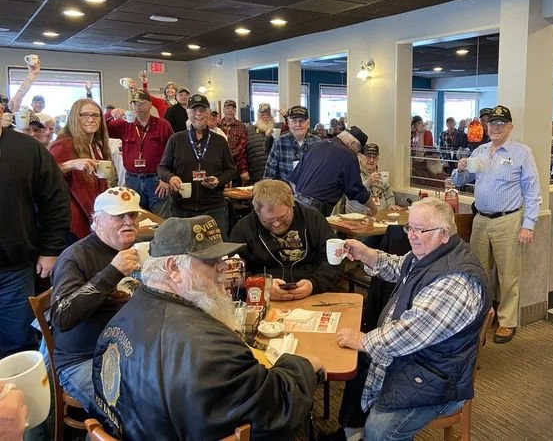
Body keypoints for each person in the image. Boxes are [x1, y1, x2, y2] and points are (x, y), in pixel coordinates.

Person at [92, 216, 322, 440]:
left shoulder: (122, 316)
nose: (224, 267)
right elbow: (278, 409)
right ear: (173, 268)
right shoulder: (210, 347)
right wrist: (304, 365)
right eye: (212, 261)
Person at [326, 198, 487, 441]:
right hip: (417, 357)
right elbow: (400, 266)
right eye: (409, 228)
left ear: (444, 234)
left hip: (437, 376)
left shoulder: (456, 281)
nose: (412, 235)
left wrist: (364, 340)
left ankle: (365, 433)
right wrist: (367, 254)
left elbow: (410, 332)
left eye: (420, 230)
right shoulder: (429, 255)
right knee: (356, 363)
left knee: (380, 431)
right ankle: (353, 432)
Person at [452, 105, 541, 344]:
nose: (495, 128)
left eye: (501, 124)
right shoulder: (480, 151)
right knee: (478, 273)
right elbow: (458, 181)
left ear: (510, 127)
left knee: (507, 274)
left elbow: (533, 192)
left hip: (508, 220)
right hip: (480, 219)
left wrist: (528, 224)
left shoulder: (522, 153)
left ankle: (507, 322)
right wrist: (459, 169)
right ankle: (481, 317)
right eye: (492, 124)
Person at [50, 187, 142, 409]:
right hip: (84, 359)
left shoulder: (137, 248)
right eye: (119, 216)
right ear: (97, 221)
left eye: (133, 215)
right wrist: (112, 272)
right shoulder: (75, 257)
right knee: (136, 411)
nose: (128, 222)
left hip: (129, 350)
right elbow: (61, 316)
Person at [0, 114, 69, 359]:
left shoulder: (27, 149)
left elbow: (55, 200)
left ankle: (19, 396)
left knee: (17, 346)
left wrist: (51, 250)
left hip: (13, 269)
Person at [229, 180, 341, 300]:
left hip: (313, 294)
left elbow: (333, 261)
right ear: (257, 212)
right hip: (262, 299)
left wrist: (314, 284)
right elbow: (232, 272)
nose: (277, 224)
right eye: (268, 220)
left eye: (283, 217)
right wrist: (262, 285)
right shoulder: (244, 229)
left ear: (292, 205)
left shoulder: (313, 219)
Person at [158, 94, 237, 237]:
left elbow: (231, 170)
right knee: (183, 253)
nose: (198, 114)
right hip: (182, 209)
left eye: (202, 110)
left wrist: (219, 180)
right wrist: (170, 178)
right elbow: (162, 168)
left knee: (217, 251)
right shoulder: (176, 139)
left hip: (214, 209)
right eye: (194, 110)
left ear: (208, 113)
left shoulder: (220, 141)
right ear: (188, 113)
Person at [49, 99, 113, 243]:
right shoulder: (63, 144)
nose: (91, 119)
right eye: (84, 115)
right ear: (74, 118)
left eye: (95, 115)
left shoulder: (96, 145)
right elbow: (44, 177)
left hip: (92, 216)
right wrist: (70, 165)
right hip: (71, 224)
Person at [106, 90, 173, 215]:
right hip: (132, 179)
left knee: (162, 218)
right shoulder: (124, 124)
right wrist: (110, 113)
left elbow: (172, 153)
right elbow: (101, 128)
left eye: (141, 103)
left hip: (156, 180)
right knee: (136, 218)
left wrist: (166, 178)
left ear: (150, 104)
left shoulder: (163, 125)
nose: (137, 107)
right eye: (134, 103)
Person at [290, 126, 377, 217]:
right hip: (315, 210)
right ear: (353, 143)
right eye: (358, 151)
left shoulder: (315, 146)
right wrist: (373, 209)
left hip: (295, 205)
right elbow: (356, 190)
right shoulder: (348, 155)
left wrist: (301, 198)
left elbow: (293, 179)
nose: (356, 154)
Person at [264, 105, 320, 182]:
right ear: (289, 123)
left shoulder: (317, 142)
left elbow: (322, 171)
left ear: (308, 124)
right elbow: (269, 175)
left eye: (302, 121)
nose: (298, 124)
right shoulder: (279, 143)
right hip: (285, 192)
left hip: (311, 192)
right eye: (294, 121)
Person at [346, 143, 402, 214]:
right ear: (360, 156)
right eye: (368, 157)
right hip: (360, 216)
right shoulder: (353, 174)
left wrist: (391, 205)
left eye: (374, 157)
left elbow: (388, 194)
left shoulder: (381, 175)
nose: (372, 160)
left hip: (381, 216)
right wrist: (368, 182)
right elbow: (354, 196)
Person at [219, 99, 250, 184]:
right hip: (219, 167)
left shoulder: (241, 126)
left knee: (235, 193)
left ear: (235, 111)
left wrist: (243, 169)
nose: (230, 111)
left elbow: (243, 148)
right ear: (223, 110)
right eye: (228, 108)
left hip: (235, 166)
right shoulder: (218, 125)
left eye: (233, 109)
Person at [245, 102, 274, 184]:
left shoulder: (277, 128)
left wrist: (286, 116)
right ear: (258, 116)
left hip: (274, 175)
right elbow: (243, 152)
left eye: (267, 114)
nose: (265, 117)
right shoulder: (249, 130)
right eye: (263, 115)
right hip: (255, 174)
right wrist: (244, 170)